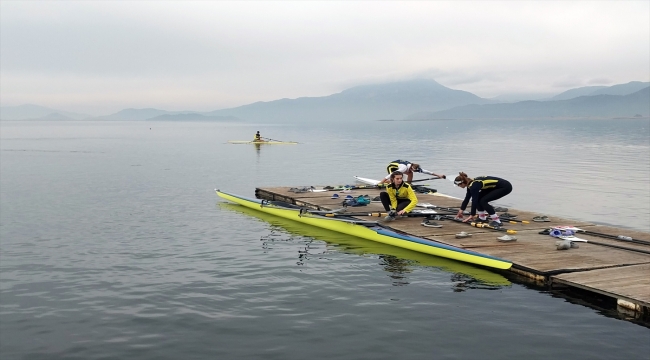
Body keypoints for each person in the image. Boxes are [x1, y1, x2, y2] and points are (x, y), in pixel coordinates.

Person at [379, 160, 445, 184]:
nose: (415, 171)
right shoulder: (404, 168)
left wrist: (438, 175)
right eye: (414, 170)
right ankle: (385, 182)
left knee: (410, 173)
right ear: (411, 167)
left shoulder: (415, 167)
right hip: (392, 167)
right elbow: (391, 174)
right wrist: (381, 182)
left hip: (400, 167)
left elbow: (427, 172)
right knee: (396, 178)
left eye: (416, 171)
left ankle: (409, 184)